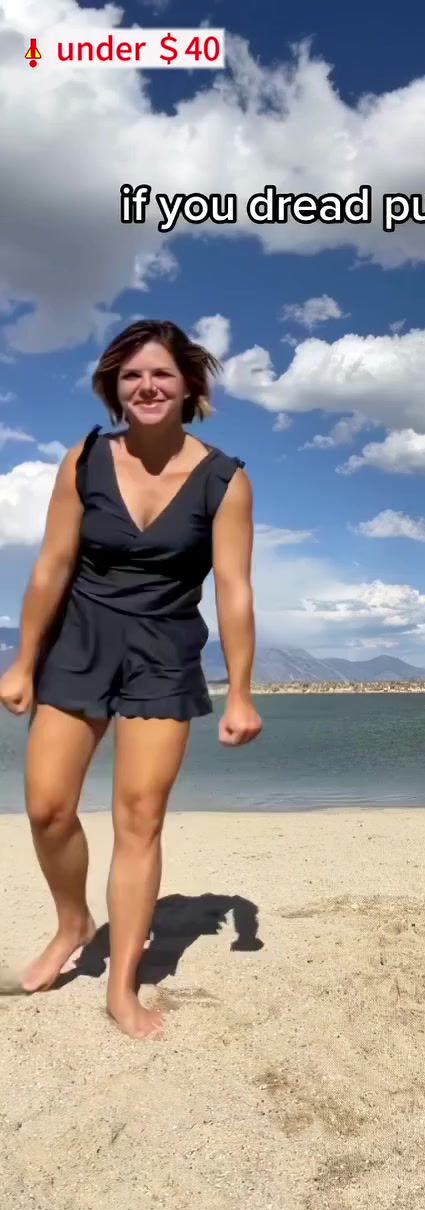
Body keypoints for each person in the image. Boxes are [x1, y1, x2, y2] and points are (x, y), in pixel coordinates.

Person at [0, 319, 262, 1039]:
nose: (147, 386)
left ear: (189, 386)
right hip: (79, 641)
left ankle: (122, 985)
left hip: (164, 651)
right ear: (114, 389)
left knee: (138, 819)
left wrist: (240, 691)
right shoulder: (83, 459)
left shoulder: (224, 480)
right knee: (47, 808)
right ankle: (73, 923)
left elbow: (234, 590)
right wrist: (22, 659)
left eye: (161, 374)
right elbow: (52, 565)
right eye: (131, 376)